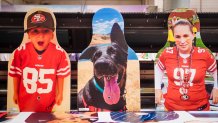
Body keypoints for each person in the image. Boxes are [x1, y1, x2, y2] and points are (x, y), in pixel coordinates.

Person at [8, 9, 70, 112]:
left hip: (49, 104)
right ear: (28, 34)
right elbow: (16, 74)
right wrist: (15, 93)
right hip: (25, 103)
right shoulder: (20, 52)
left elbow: (60, 75)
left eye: (46, 31)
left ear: (52, 35)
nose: (40, 36)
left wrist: (60, 94)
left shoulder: (59, 53)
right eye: (35, 31)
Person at [155, 19, 218, 111]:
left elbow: (216, 71)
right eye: (178, 37)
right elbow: (158, 69)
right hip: (171, 110)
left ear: (193, 35)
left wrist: (216, 87)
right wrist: (157, 89)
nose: (182, 41)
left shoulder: (204, 54)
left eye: (186, 36)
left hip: (199, 111)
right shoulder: (167, 53)